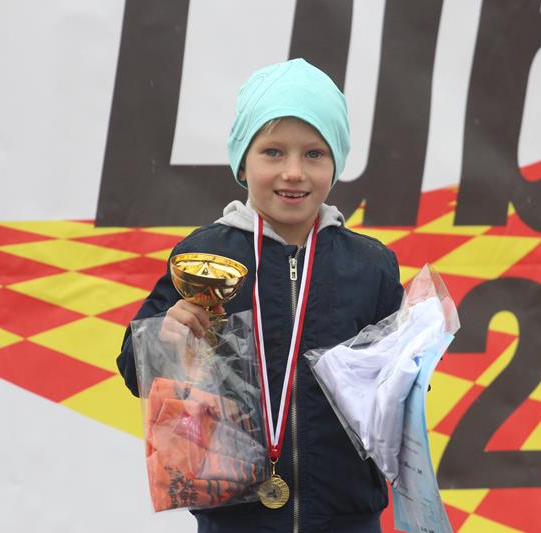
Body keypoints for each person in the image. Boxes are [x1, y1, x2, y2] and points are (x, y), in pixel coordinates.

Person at [116, 58, 404, 532]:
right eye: (273, 152)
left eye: (314, 154)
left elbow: (399, 398)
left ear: (336, 163)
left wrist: (413, 365)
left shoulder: (370, 266)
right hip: (234, 518)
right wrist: (165, 339)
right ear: (242, 162)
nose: (293, 172)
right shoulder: (203, 257)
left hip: (347, 517)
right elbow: (135, 369)